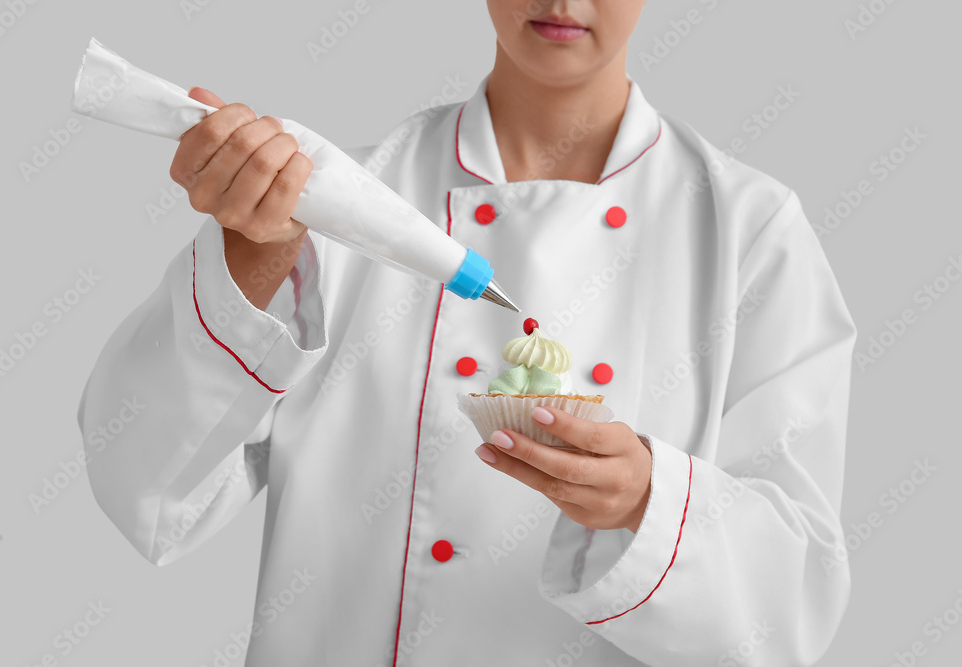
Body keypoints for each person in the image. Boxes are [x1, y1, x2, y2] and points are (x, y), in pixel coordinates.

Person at [78, 1, 858, 665]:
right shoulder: (329, 205)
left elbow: (793, 600)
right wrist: (252, 255)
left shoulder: (749, 231)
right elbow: (146, 489)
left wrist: (647, 501)